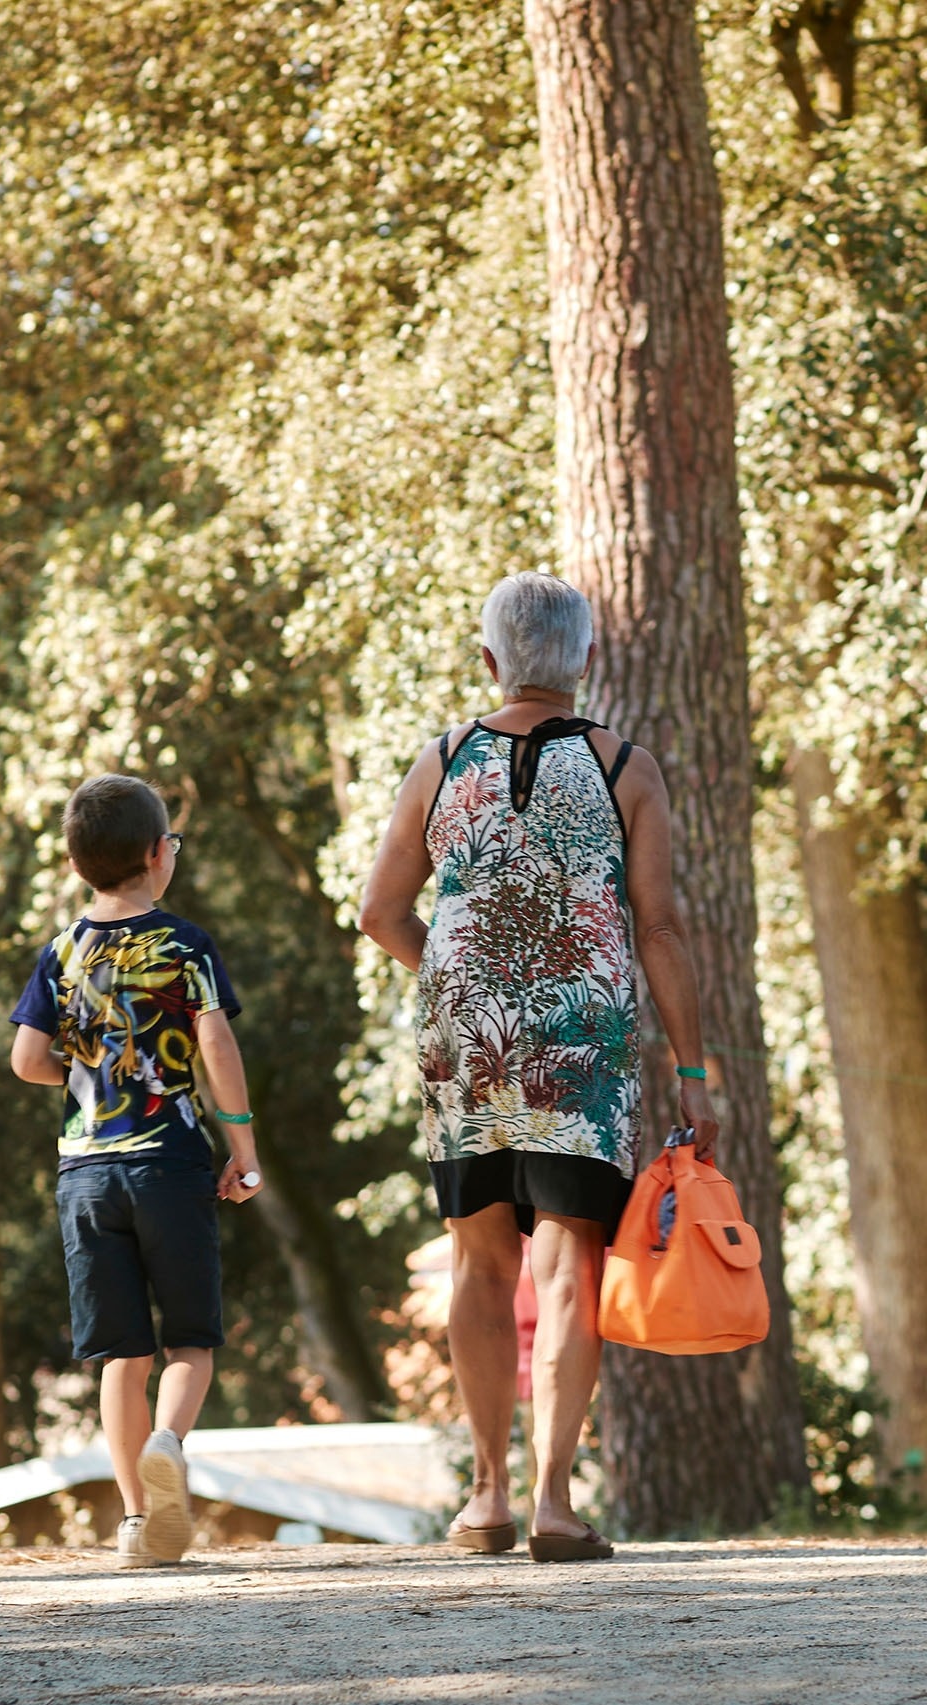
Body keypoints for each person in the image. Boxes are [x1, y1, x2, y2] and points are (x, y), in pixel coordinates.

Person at [358, 573, 718, 1563]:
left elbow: (379, 911)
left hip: (466, 1038)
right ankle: (554, 1502)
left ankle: (485, 1498)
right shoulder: (626, 767)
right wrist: (694, 1072)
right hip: (583, 1040)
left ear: (489, 662)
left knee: (479, 1259)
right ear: (586, 660)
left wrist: (459, 972)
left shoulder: (441, 761)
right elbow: (659, 927)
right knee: (567, 1263)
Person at [11, 774, 263, 1567]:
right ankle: (168, 1442)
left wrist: (92, 1075)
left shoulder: (61, 952)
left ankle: (132, 1521)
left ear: (75, 864)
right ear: (158, 854)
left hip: (86, 1176)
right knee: (189, 1341)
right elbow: (215, 1044)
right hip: (170, 1164)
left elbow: (26, 1059)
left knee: (121, 1355)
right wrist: (243, 1149)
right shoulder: (186, 945)